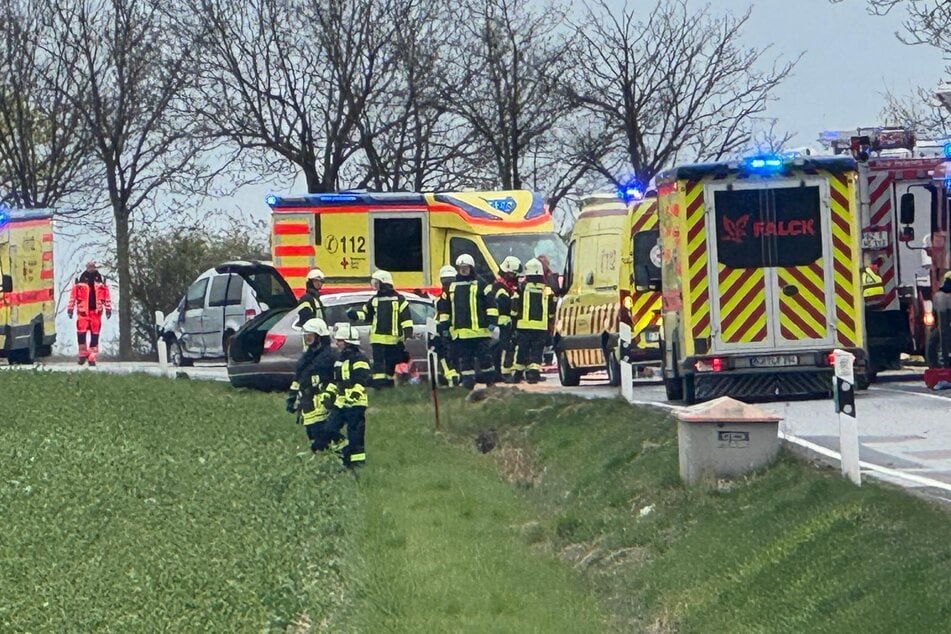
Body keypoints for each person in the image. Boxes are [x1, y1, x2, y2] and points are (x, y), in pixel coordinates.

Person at [437, 253, 498, 389]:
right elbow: (445, 310)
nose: (463, 270)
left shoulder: (482, 284)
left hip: (480, 332)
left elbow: (491, 304)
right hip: (461, 334)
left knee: (485, 359)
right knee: (465, 361)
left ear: (472, 268)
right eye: (461, 268)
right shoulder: (452, 287)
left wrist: (492, 321)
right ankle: (468, 385)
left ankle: (490, 383)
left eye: (466, 268)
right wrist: (444, 326)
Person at [347, 269, 413, 388]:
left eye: (377, 283)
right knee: (380, 364)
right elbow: (366, 314)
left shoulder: (398, 300)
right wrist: (355, 315)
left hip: (391, 340)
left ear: (384, 283)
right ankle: (379, 385)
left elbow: (406, 318)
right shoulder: (376, 300)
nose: (375, 286)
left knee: (389, 363)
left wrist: (408, 331)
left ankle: (386, 384)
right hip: (381, 339)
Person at [286, 318, 341, 453]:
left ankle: (336, 453)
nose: (307, 339)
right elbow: (299, 378)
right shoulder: (307, 357)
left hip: (322, 401)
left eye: (310, 335)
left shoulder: (330, 356)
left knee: (323, 431)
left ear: (319, 336)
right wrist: (292, 396)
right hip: (307, 402)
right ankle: (318, 452)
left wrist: (329, 395)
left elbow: (337, 379)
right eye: (305, 335)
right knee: (311, 430)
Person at [328, 322, 372, 468]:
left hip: (356, 403)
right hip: (341, 402)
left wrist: (354, 393)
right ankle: (344, 454)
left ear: (348, 342)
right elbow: (336, 381)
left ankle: (356, 464)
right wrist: (328, 394)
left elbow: (362, 379)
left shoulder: (360, 359)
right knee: (330, 429)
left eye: (340, 340)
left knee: (355, 434)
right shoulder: (340, 360)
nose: (337, 343)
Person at [514, 258, 557, 384]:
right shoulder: (547, 290)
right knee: (537, 352)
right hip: (541, 328)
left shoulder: (522, 288)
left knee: (522, 351)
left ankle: (518, 375)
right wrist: (549, 321)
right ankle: (533, 375)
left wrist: (514, 319)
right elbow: (551, 310)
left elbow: (515, 307)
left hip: (524, 327)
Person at [67, 260, 112, 366]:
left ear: (95, 267)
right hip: (83, 313)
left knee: (95, 335)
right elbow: (73, 296)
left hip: (96, 313)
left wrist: (108, 309)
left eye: (93, 266)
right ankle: (82, 354)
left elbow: (106, 296)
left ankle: (92, 356)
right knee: (81, 334)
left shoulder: (101, 281)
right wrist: (70, 308)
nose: (91, 268)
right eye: (89, 266)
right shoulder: (80, 280)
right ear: (86, 267)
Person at [491, 256, 521, 382]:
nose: (515, 278)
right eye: (514, 275)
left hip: (505, 324)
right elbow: (504, 305)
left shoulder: (505, 287)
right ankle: (501, 374)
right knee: (502, 349)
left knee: (505, 348)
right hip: (501, 325)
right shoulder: (500, 288)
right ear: (507, 273)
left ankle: (502, 373)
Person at [433, 264, 461, 386]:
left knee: (442, 351)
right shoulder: (460, 294)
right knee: (456, 354)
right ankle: (456, 375)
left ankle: (450, 375)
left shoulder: (443, 296)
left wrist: (443, 331)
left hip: (446, 329)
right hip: (459, 330)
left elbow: (442, 316)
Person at [934, 271, 951, 368]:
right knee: (944, 333)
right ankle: (945, 362)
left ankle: (945, 362)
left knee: (943, 333)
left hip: (941, 300)